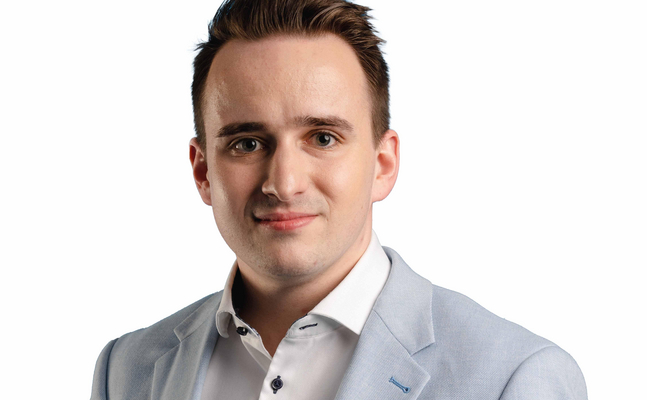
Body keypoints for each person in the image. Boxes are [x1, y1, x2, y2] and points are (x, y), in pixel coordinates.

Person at [91, 0, 587, 399]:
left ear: (383, 164)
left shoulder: (515, 378)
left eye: (323, 138)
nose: (284, 183)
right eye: (247, 143)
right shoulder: (125, 371)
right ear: (203, 171)